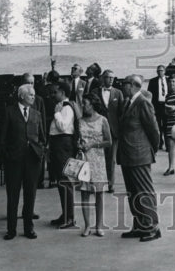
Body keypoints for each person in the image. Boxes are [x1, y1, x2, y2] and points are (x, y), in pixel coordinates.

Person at [117, 74, 161, 242]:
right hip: (128, 155)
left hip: (139, 155)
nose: (122, 86)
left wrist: (151, 151)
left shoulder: (143, 103)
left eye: (124, 83)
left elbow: (154, 131)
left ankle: (152, 227)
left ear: (133, 85)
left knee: (144, 192)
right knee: (133, 193)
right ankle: (139, 225)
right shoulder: (128, 102)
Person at [0, 83, 46, 240]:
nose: (33, 97)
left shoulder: (36, 114)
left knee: (30, 194)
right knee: (13, 195)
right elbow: (1, 138)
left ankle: (28, 228)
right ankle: (11, 230)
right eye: (30, 94)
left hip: (32, 159)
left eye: (33, 94)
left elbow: (42, 137)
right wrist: (7, 155)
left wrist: (40, 152)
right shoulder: (9, 112)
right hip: (14, 160)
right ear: (21, 96)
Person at [77, 94, 111, 236]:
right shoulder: (80, 121)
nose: (83, 106)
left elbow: (109, 142)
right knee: (85, 193)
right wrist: (78, 145)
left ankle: (98, 226)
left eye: (85, 103)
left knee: (99, 194)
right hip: (84, 160)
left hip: (98, 160)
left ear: (92, 104)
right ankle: (87, 226)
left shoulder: (103, 120)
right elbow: (77, 139)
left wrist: (93, 144)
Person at [48, 81, 79, 228]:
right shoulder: (61, 106)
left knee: (65, 181)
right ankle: (65, 214)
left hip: (63, 144)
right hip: (58, 144)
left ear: (63, 93)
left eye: (56, 92)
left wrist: (56, 113)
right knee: (61, 180)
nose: (53, 95)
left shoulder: (66, 108)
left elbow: (63, 126)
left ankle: (70, 217)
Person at [92, 69, 122, 192]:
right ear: (103, 78)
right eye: (108, 77)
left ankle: (110, 183)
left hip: (113, 130)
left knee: (111, 159)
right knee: (97, 157)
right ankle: (97, 182)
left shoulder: (118, 93)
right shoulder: (94, 92)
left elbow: (121, 112)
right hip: (98, 129)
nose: (111, 80)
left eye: (112, 78)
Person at [22, 73, 47, 190]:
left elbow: (42, 120)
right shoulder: (17, 99)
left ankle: (39, 181)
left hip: (35, 136)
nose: (30, 85)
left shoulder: (39, 100)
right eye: (28, 83)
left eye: (32, 83)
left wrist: (43, 139)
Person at [148, 64, 169, 150]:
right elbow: (149, 94)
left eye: (161, 70)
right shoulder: (152, 81)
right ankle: (160, 142)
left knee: (167, 125)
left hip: (166, 105)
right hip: (157, 105)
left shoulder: (169, 80)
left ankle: (168, 145)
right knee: (158, 126)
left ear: (164, 71)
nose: (160, 72)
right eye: (158, 71)